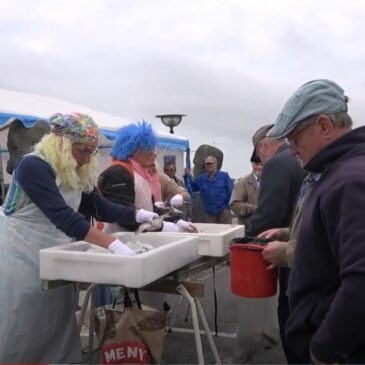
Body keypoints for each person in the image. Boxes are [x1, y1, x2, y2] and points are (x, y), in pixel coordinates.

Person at [0, 113, 158, 363]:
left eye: (91, 152)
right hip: (20, 250)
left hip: (55, 250)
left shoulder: (75, 169)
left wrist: (138, 214)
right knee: (22, 319)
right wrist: (112, 244)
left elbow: (99, 207)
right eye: (83, 150)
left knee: (55, 318)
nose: (87, 158)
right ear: (62, 143)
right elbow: (64, 216)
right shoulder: (33, 166)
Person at [267, 79, 365, 364]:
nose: (292, 149)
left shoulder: (349, 181)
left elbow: (361, 280)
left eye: (294, 139)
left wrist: (323, 350)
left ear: (324, 126)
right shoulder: (337, 172)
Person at [246, 123, 306, 364]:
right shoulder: (298, 159)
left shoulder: (277, 163)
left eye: (258, 155)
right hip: (303, 243)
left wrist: (248, 242)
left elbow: (268, 214)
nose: (260, 161)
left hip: (291, 256)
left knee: (291, 319)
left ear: (262, 146)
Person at [98, 121, 194, 233]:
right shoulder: (117, 173)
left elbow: (150, 208)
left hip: (140, 237)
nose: (153, 153)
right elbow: (122, 214)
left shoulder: (141, 174)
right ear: (132, 149)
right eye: (147, 148)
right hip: (120, 238)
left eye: (152, 148)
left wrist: (175, 221)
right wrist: (162, 226)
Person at [185, 155, 233, 224]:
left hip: (223, 212)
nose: (209, 165)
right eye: (207, 164)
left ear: (215, 164)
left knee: (227, 232)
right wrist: (187, 176)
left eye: (211, 163)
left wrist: (226, 207)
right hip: (210, 214)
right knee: (212, 233)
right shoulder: (201, 179)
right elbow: (190, 188)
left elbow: (230, 193)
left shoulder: (224, 176)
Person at [229, 159, 262, 230]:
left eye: (262, 164)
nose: (259, 167)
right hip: (248, 229)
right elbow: (234, 205)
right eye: (256, 164)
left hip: (267, 229)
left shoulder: (271, 181)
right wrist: (255, 208)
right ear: (252, 164)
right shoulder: (242, 182)